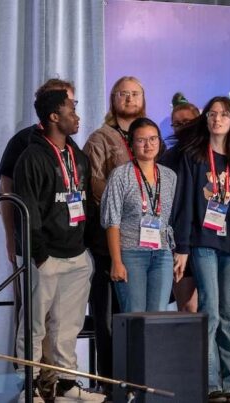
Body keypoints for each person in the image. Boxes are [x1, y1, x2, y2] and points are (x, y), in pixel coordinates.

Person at [14, 89, 104, 402]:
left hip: (76, 255)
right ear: (54, 116)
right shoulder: (32, 157)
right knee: (35, 325)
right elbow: (27, 209)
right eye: (71, 110)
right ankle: (27, 386)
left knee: (69, 326)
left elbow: (84, 202)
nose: (77, 116)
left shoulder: (76, 154)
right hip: (45, 256)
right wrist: (39, 255)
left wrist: (88, 248)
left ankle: (66, 385)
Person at [0, 78, 75, 401]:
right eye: (66, 102)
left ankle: (55, 382)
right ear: (49, 108)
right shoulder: (23, 142)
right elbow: (7, 192)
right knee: (33, 318)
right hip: (33, 244)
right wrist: (11, 239)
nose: (73, 108)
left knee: (60, 319)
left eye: (73, 101)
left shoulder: (70, 145)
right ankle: (24, 384)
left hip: (66, 248)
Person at [171, 96, 230, 403]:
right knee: (211, 311)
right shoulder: (193, 156)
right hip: (203, 242)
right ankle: (211, 381)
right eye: (212, 114)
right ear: (205, 120)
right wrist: (183, 246)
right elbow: (186, 205)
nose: (218, 119)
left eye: (224, 115)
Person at [83, 76, 147, 391]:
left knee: (135, 311)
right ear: (113, 98)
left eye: (135, 94)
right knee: (108, 313)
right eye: (123, 93)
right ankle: (109, 380)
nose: (129, 98)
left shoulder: (149, 137)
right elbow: (94, 187)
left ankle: (136, 378)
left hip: (143, 242)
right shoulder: (101, 138)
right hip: (109, 240)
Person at [101, 118, 179, 313]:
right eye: (141, 140)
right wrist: (116, 261)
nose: (148, 145)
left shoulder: (170, 176)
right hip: (130, 254)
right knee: (134, 315)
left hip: (162, 254)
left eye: (153, 139)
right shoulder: (121, 175)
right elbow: (112, 221)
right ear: (131, 144)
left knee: (157, 316)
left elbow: (173, 218)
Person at [161, 92, 200, 314]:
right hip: (179, 240)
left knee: (210, 306)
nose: (183, 128)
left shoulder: (212, 154)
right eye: (178, 124)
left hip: (209, 240)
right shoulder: (168, 158)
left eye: (188, 122)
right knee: (187, 307)